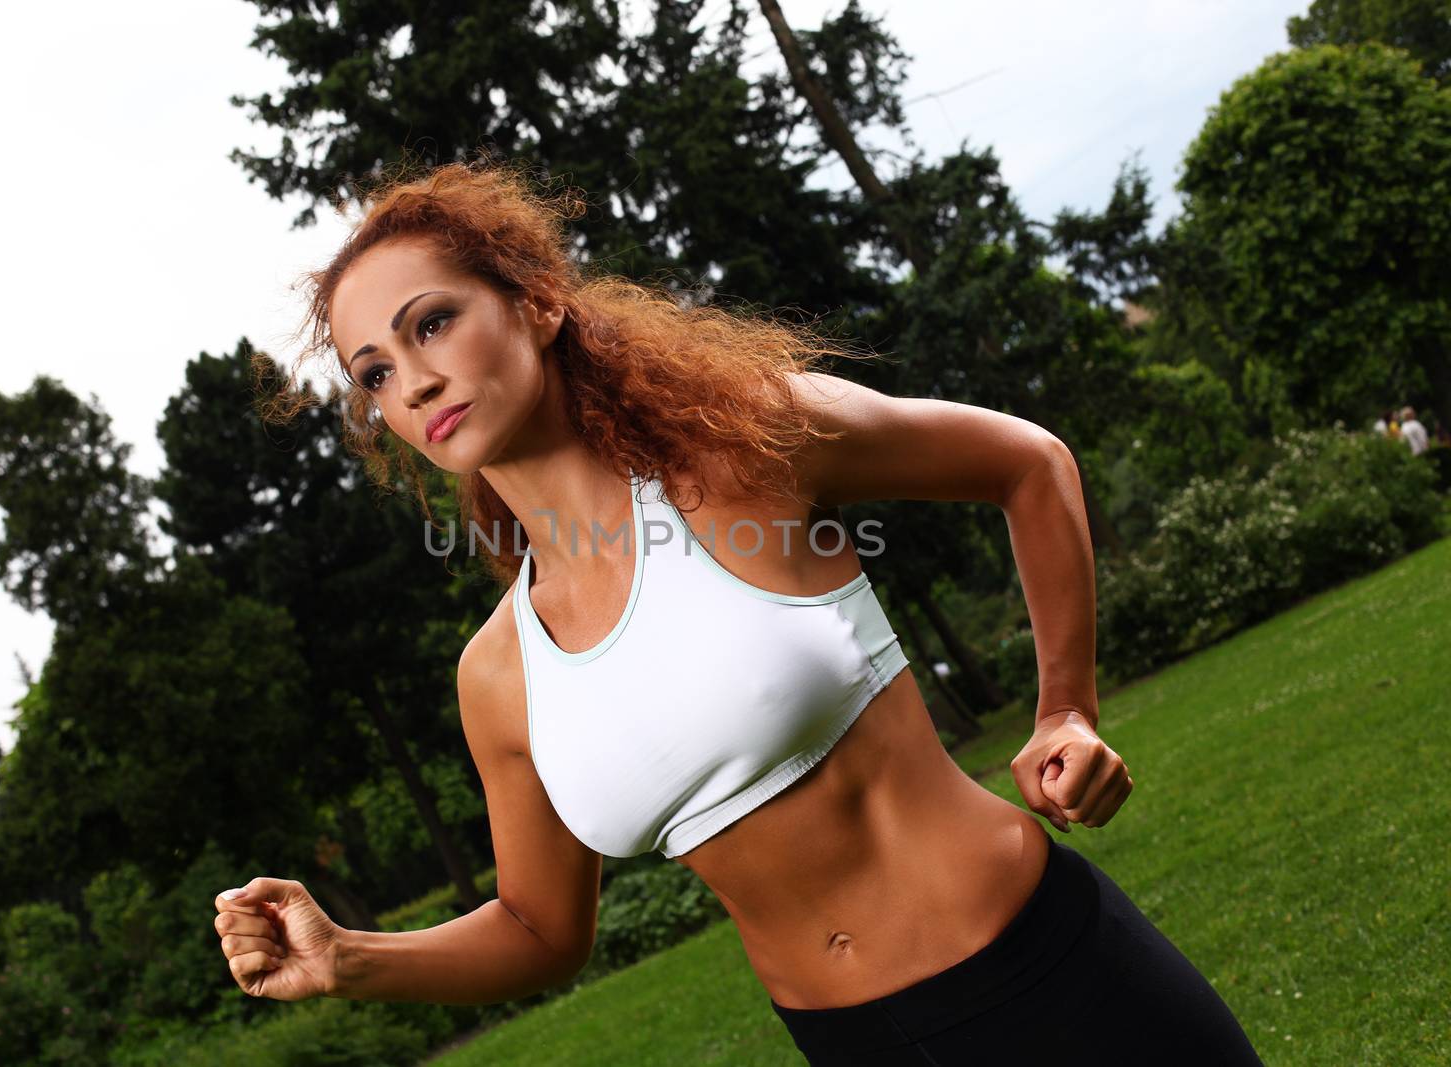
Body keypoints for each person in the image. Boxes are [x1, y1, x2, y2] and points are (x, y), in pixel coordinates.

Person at [210, 161, 1264, 1064]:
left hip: (1050, 979)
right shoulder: (497, 676)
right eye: (376, 373)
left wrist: (1063, 709)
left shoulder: (741, 454)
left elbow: (1028, 465)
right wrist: (351, 955)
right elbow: (542, 928)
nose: (416, 378)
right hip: (853, 1043)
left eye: (432, 321)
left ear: (535, 303)